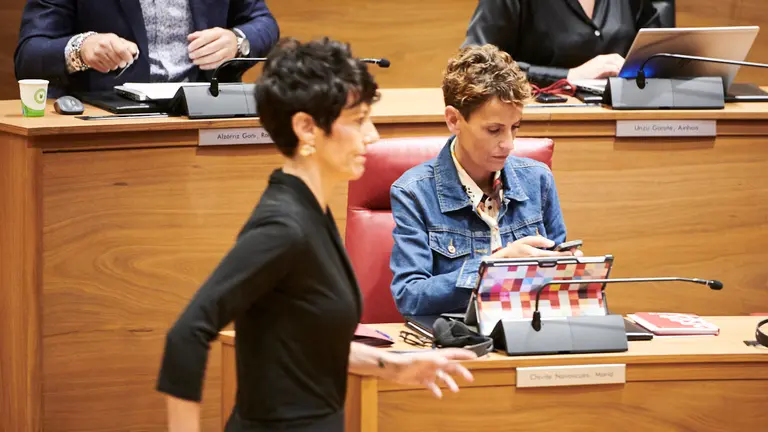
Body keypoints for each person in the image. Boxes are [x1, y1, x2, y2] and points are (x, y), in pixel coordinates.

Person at [156, 38, 476, 432]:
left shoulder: (311, 208)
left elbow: (302, 345)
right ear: (306, 127)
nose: (372, 135)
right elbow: (186, 334)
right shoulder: (282, 226)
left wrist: (391, 365)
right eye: (358, 120)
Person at [390, 44, 580, 317]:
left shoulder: (538, 180)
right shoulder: (413, 192)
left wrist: (574, 272)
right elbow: (410, 296)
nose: (509, 144)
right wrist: (492, 267)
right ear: (454, 120)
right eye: (494, 130)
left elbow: (558, 286)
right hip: (459, 344)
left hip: (530, 335)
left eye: (515, 127)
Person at [14, 0, 280, 96]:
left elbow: (263, 23)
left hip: (204, 112)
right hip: (107, 120)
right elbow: (30, 54)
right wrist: (81, 49)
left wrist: (237, 40)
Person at [462, 0, 661, 85]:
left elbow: (663, 54)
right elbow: (475, 65)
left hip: (630, 117)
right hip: (538, 121)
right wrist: (568, 76)